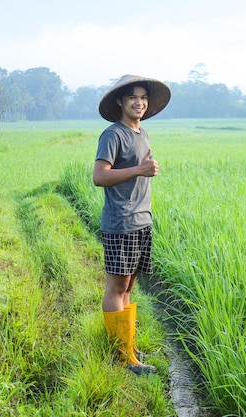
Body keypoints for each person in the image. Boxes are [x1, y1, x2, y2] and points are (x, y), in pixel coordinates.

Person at [93, 74, 171, 375]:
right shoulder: (113, 135)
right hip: (120, 221)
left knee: (129, 286)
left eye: (143, 97)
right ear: (120, 102)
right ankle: (122, 357)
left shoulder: (143, 133)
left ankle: (128, 347)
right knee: (116, 286)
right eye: (132, 98)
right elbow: (99, 176)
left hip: (141, 220)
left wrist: (142, 171)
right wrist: (139, 169)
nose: (139, 102)